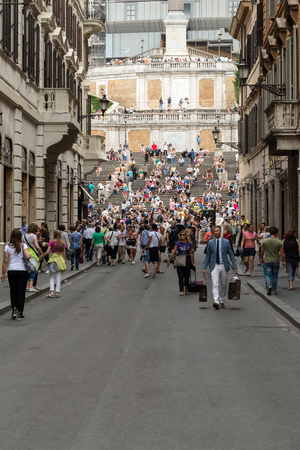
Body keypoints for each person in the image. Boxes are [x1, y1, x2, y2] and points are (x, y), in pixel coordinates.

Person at [203, 225, 238, 309]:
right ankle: (216, 301)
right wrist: (204, 267)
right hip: (214, 265)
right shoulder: (211, 242)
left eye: (217, 231)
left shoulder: (226, 242)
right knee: (215, 283)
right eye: (214, 231)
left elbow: (231, 255)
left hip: (224, 265)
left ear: (220, 231)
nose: (215, 232)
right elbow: (208, 255)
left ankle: (222, 300)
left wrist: (235, 266)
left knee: (223, 284)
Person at [2, 229, 31, 320]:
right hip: (22, 270)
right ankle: (20, 312)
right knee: (21, 292)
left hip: (12, 270)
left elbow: (5, 261)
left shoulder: (7, 247)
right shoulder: (23, 245)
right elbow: (27, 256)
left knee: (13, 290)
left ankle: (14, 310)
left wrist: (3, 274)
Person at [167, 230, 195, 296]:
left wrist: (192, 263)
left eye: (183, 235)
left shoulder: (189, 244)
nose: (182, 236)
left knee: (187, 276)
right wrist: (169, 260)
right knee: (180, 276)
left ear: (186, 236)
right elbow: (173, 252)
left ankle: (186, 286)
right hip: (180, 262)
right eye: (181, 235)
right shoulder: (178, 244)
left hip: (187, 262)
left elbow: (191, 254)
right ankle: (181, 290)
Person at [260, 226, 286, 295]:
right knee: (275, 275)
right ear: (277, 233)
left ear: (270, 233)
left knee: (267, 275)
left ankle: (269, 285)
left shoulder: (265, 241)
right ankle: (274, 290)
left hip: (267, 261)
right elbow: (282, 252)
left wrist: (261, 258)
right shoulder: (279, 242)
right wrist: (284, 261)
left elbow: (262, 251)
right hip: (276, 261)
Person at [43, 230, 67, 298]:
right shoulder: (62, 242)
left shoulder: (51, 241)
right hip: (60, 259)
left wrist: (42, 255)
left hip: (53, 259)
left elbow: (47, 252)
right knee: (59, 277)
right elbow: (64, 253)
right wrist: (64, 260)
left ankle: (51, 292)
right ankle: (57, 293)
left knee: (52, 276)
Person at [23, 223, 43, 292]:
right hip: (32, 253)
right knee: (33, 270)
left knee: (27, 269)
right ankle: (31, 286)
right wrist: (41, 253)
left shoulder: (23, 236)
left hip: (25, 253)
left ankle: (27, 286)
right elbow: (37, 246)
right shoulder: (33, 236)